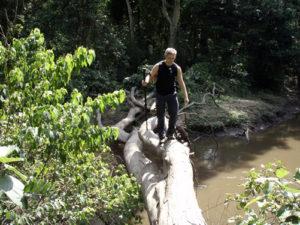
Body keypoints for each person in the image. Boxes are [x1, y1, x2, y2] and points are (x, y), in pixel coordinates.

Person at [142, 47, 189, 141]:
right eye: (169, 58)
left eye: (173, 58)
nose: (171, 60)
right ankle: (161, 135)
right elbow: (150, 75)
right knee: (161, 115)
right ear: (165, 56)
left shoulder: (177, 68)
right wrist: (146, 81)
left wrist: (186, 96)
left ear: (175, 57)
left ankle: (170, 133)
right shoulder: (159, 66)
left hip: (172, 94)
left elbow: (181, 82)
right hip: (160, 94)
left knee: (174, 114)